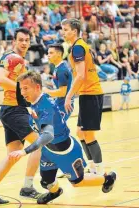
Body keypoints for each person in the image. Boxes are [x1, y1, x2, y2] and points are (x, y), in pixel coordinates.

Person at [9, 71, 117, 204]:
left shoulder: (46, 106)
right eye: (21, 89)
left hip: (65, 151)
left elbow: (48, 135)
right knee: (46, 182)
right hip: (49, 151)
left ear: (37, 87)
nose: (22, 92)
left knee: (77, 182)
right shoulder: (35, 100)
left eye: (25, 88)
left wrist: (24, 151)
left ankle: (107, 179)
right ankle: (56, 192)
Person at [0, 28, 41, 205]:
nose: (24, 43)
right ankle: (28, 188)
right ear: (14, 41)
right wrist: (22, 90)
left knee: (13, 155)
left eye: (27, 40)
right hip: (14, 111)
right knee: (39, 145)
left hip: (11, 110)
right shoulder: (14, 58)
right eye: (20, 40)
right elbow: (0, 80)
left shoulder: (14, 58)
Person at [61, 18, 104, 175]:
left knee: (88, 134)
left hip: (91, 93)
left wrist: (68, 96)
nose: (63, 32)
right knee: (80, 132)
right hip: (88, 94)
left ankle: (100, 171)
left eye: (66, 29)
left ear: (74, 31)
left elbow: (80, 76)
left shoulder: (78, 48)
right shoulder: (81, 46)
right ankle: (92, 167)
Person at [43, 43, 73, 121]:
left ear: (59, 54)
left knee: (56, 129)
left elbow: (62, 92)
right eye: (48, 53)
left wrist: (47, 91)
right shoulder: (57, 68)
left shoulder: (62, 70)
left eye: (51, 53)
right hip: (60, 102)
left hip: (65, 105)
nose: (48, 55)